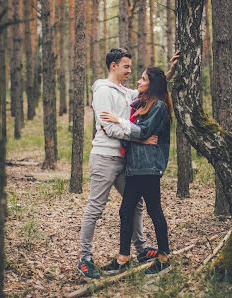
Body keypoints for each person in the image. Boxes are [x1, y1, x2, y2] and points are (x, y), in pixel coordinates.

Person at [77, 48, 179, 279]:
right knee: (95, 207)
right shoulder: (103, 90)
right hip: (105, 156)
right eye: (126, 66)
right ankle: (85, 258)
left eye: (131, 67)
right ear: (113, 66)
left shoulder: (125, 92)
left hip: (126, 160)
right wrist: (140, 136)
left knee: (135, 206)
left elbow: (152, 89)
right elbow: (110, 127)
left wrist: (170, 72)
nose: (130, 71)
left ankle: (141, 250)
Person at [99, 67, 174, 275]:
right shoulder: (142, 104)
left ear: (152, 84)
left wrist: (118, 120)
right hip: (134, 167)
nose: (138, 81)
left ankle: (164, 258)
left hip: (149, 167)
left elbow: (144, 131)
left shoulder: (158, 106)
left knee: (154, 212)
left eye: (143, 79)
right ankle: (123, 258)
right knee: (125, 211)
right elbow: (136, 133)